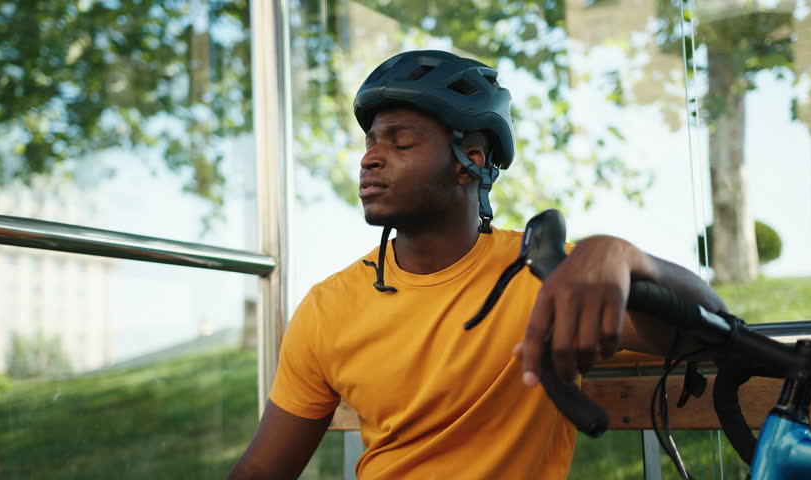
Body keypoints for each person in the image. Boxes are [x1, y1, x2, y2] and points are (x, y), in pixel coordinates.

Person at [226, 50, 725, 479]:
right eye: (370, 142)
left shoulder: (546, 274)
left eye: (400, 142)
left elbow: (717, 331)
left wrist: (627, 256)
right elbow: (263, 469)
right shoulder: (327, 308)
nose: (370, 158)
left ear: (470, 162)